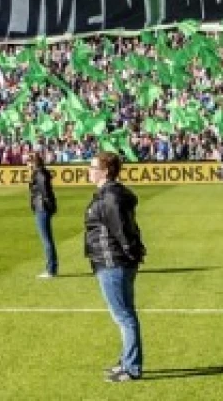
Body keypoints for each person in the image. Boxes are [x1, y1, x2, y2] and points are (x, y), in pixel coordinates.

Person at [84, 151, 147, 383]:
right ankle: (126, 362)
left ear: (105, 171)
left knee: (124, 316)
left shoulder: (110, 197)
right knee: (124, 314)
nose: (89, 171)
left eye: (92, 167)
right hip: (114, 261)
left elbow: (121, 230)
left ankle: (131, 367)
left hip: (113, 262)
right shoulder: (110, 195)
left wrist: (130, 252)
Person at [29, 151, 58, 278]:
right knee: (47, 239)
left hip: (42, 208)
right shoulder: (42, 172)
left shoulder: (39, 173)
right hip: (43, 207)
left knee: (46, 240)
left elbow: (45, 191)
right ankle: (52, 267)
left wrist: (47, 205)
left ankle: (51, 269)